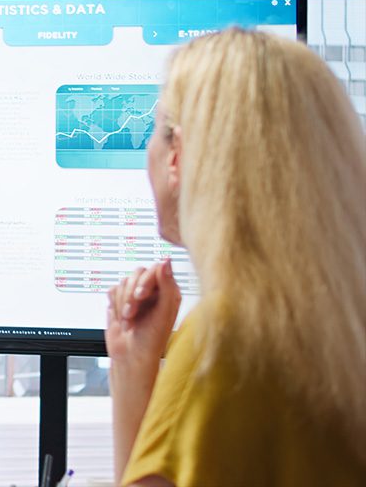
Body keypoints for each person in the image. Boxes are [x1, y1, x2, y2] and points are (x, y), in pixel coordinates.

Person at [106, 28, 366, 486]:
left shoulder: (223, 342)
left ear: (177, 156)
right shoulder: (339, 322)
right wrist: (133, 366)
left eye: (153, 131)